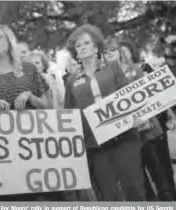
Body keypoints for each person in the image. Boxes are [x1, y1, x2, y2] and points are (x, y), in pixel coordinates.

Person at [0, 24, 57, 201]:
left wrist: (31, 96)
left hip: (33, 151)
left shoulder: (29, 69)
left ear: (9, 41)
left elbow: (49, 107)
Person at [64, 24, 145, 201]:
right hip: (95, 145)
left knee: (134, 188)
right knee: (108, 194)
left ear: (96, 47)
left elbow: (128, 97)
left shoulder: (113, 68)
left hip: (124, 137)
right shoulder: (71, 80)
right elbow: (70, 113)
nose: (82, 47)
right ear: (74, 51)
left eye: (86, 43)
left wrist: (137, 117)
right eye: (78, 45)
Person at [104, 38, 176, 201]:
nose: (110, 54)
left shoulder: (138, 69)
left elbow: (157, 96)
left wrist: (169, 114)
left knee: (160, 175)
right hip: (127, 138)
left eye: (113, 50)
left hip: (148, 132)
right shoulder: (104, 79)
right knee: (141, 182)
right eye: (106, 52)